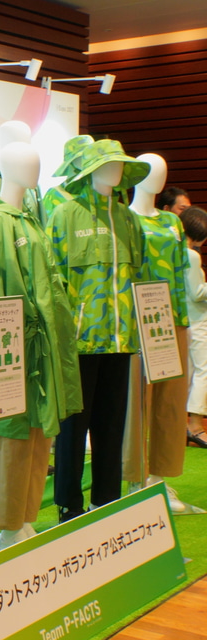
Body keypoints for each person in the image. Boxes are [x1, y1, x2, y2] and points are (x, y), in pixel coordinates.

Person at [0, 142, 82, 549]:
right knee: (14, 429)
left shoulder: (29, 217)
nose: (35, 168)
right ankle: (7, 523)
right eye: (26, 162)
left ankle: (25, 516)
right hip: (16, 345)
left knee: (41, 429)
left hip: (44, 342)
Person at [48, 139, 149, 522]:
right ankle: (68, 504)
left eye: (120, 164)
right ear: (89, 171)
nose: (116, 171)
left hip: (120, 340)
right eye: (107, 164)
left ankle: (106, 499)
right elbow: (53, 279)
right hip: (79, 341)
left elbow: (139, 275)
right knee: (73, 427)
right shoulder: (65, 215)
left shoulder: (129, 220)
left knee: (111, 424)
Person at [125, 154, 193, 512]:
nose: (158, 177)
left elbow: (181, 271)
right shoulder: (124, 218)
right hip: (137, 321)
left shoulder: (171, 222)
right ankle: (135, 478)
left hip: (171, 319)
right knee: (137, 402)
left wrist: (183, 319)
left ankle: (160, 477)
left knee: (169, 402)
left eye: (163, 171)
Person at [181, 206, 207, 449]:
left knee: (190, 372)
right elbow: (198, 293)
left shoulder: (175, 251)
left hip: (184, 320)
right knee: (204, 370)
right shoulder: (191, 255)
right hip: (197, 320)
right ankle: (196, 426)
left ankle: (184, 425)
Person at [42, 135, 94, 223]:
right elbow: (46, 226)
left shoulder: (100, 191)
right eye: (81, 157)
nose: (86, 160)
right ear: (71, 161)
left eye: (91, 156)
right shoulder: (53, 195)